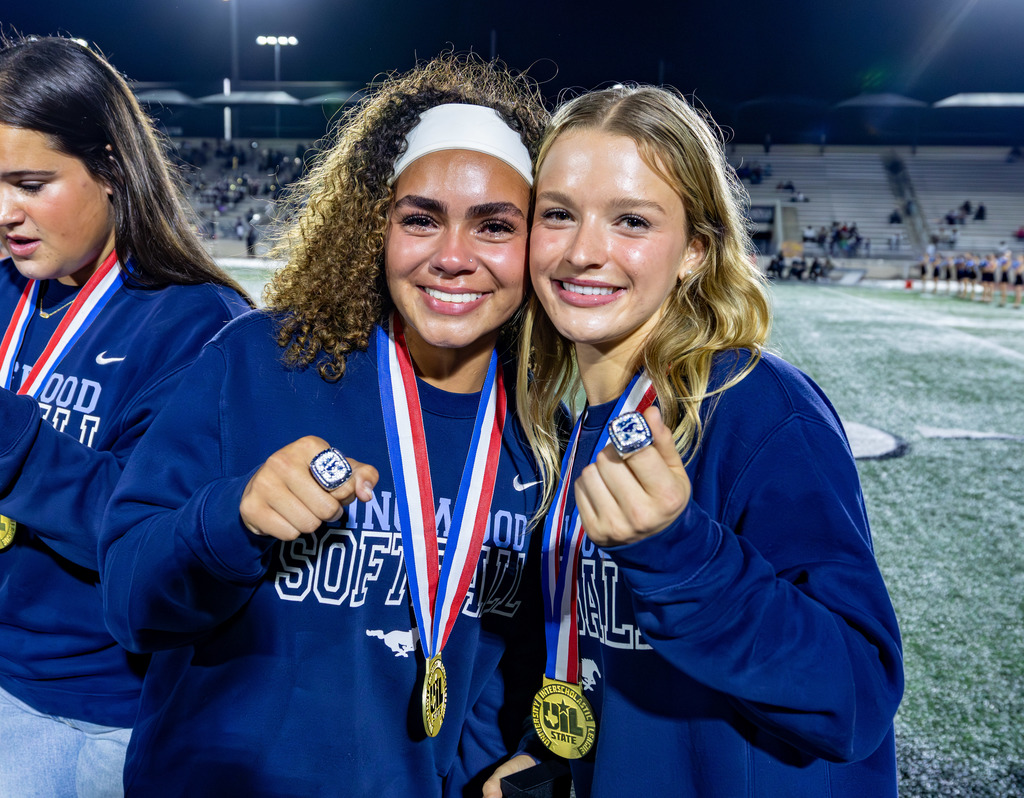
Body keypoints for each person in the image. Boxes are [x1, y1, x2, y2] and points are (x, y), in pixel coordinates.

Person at [99, 54, 550, 796]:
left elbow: (500, 669)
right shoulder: (260, 362)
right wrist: (233, 520)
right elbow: (128, 603)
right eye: (420, 220)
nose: (453, 257)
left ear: (539, 242)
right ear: (374, 227)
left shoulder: (541, 436)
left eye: (494, 226)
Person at [487, 85, 903, 797]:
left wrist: (681, 554)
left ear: (695, 252)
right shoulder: (579, 423)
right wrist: (550, 757)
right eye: (558, 214)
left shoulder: (759, 407)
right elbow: (619, 660)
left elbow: (856, 695)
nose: (584, 251)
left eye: (631, 221)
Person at [0, 35, 251, 795]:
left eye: (30, 183)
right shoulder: (9, 289)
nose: (5, 213)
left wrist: (12, 439)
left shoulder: (200, 323)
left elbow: (152, 533)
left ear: (110, 168)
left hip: (87, 715)